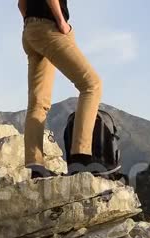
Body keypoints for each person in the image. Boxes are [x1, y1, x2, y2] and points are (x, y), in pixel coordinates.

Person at [18, 0, 106, 179]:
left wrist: (30, 24)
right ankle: (80, 159)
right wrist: (61, 22)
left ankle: (36, 167)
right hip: (49, 28)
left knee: (38, 102)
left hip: (30, 32)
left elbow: (21, 4)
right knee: (91, 85)